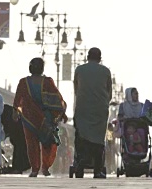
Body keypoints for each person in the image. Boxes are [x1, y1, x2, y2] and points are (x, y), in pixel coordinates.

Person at [13, 58, 67, 177]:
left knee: (34, 144)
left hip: (32, 118)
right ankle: (43, 168)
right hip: (40, 118)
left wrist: (15, 111)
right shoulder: (45, 82)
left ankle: (36, 169)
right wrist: (61, 113)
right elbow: (58, 100)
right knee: (46, 143)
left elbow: (17, 100)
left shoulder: (26, 82)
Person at [73, 48, 112, 179]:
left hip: (83, 109)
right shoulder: (106, 71)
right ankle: (97, 169)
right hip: (99, 110)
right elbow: (109, 93)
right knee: (98, 139)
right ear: (100, 58)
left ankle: (80, 162)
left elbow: (76, 89)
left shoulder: (79, 70)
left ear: (87, 57)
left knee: (81, 136)